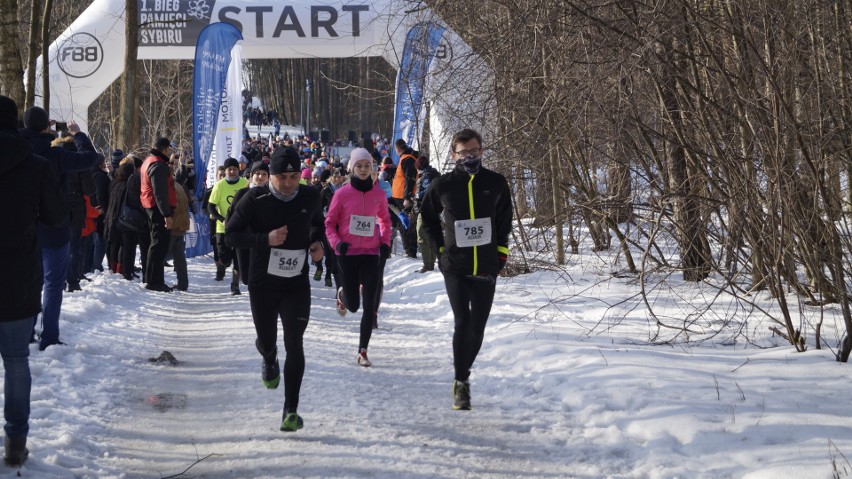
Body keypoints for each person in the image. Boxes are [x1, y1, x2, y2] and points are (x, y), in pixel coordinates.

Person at [225, 147, 325, 432]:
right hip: (263, 283)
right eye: (283, 177)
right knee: (268, 342)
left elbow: (317, 226)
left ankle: (290, 410)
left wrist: (319, 245)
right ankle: (269, 359)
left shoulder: (310, 196)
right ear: (271, 175)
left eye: (295, 177)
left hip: (296, 282)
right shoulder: (255, 199)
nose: (290, 183)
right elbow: (232, 235)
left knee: (295, 342)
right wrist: (263, 239)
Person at [420, 128, 512, 410]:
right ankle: (461, 382)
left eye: (474, 151)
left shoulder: (496, 183)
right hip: (455, 266)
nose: (469, 156)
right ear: (453, 155)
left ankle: (463, 368)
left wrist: (501, 253)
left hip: (486, 263)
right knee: (463, 321)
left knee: (478, 327)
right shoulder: (443, 185)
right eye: (463, 152)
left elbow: (504, 220)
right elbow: (427, 216)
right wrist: (439, 249)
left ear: (482, 152)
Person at [0, 95, 68, 466]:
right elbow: (56, 218)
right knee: (15, 360)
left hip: (18, 273)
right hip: (17, 274)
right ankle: (15, 442)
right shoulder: (36, 166)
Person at [20, 106, 100, 350]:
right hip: (54, 227)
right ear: (47, 126)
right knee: (53, 285)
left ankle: (25, 333)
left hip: (22, 228)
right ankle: (49, 336)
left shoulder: (16, 150)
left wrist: (36, 127)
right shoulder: (55, 155)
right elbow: (90, 158)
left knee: (29, 284)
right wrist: (78, 134)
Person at [324, 148, 392, 367]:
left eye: (367, 166)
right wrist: (337, 244)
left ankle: (363, 351)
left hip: (371, 253)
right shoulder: (342, 194)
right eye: (359, 166)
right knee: (353, 306)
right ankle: (343, 294)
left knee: (370, 303)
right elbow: (329, 224)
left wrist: (385, 242)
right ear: (351, 168)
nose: (363, 170)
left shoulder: (379, 194)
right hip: (347, 254)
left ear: (372, 169)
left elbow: (385, 221)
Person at [140, 137, 178, 292]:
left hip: (150, 207)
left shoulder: (149, 160)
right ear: (165, 149)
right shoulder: (158, 165)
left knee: (155, 245)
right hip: (157, 209)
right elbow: (160, 193)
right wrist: (167, 215)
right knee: (159, 246)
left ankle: (152, 279)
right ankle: (154, 281)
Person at [208, 157, 248, 295]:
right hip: (222, 228)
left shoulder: (245, 184)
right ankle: (223, 266)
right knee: (225, 259)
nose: (232, 171)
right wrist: (221, 219)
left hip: (240, 228)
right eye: (229, 169)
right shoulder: (219, 185)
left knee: (238, 260)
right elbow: (211, 207)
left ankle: (235, 285)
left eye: (234, 169)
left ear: (238, 170)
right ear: (225, 171)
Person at [168, 157, 194, 292]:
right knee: (179, 258)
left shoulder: (170, 187)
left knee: (161, 255)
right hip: (181, 226)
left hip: (172, 227)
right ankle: (183, 283)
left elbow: (172, 207)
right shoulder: (178, 185)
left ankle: (156, 280)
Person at [391, 139, 418, 258]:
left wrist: (407, 197)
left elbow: (409, 179)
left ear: (397, 149)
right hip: (399, 197)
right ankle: (408, 249)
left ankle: (410, 250)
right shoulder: (405, 158)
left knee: (407, 224)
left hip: (404, 198)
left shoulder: (407, 159)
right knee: (402, 223)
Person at [414, 155, 440, 273]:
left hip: (425, 208)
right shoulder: (435, 173)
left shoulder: (426, 176)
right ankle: (431, 263)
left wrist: (417, 195)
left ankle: (427, 265)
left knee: (421, 235)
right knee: (431, 235)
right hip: (435, 208)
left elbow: (429, 189)